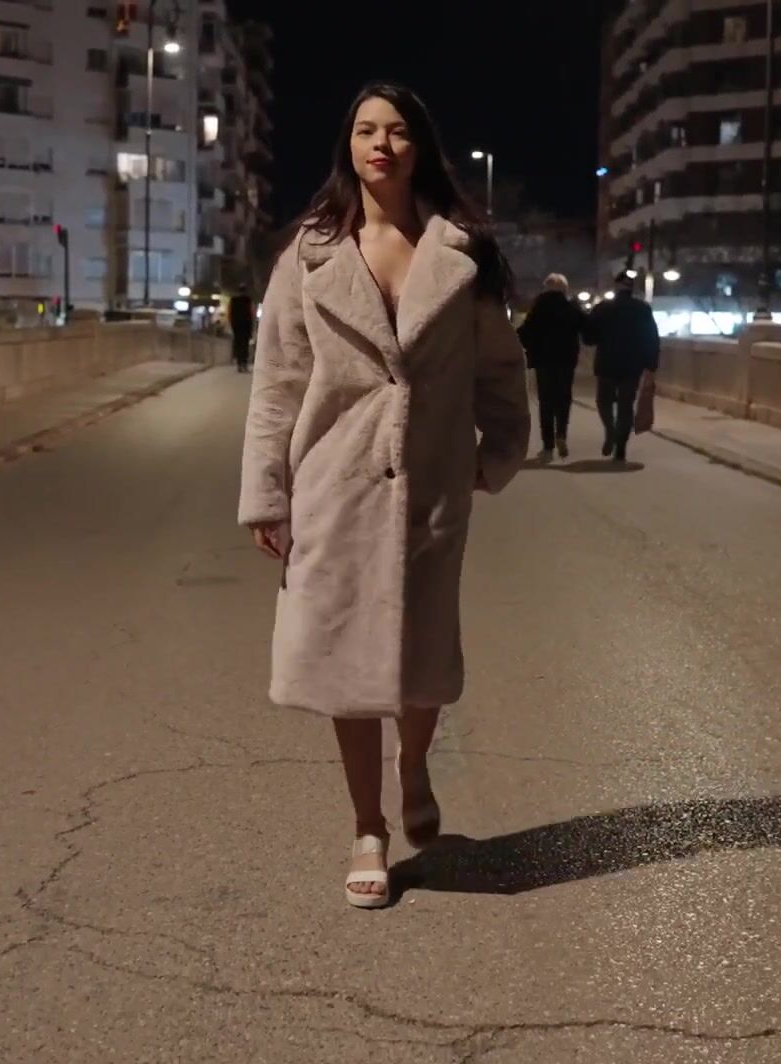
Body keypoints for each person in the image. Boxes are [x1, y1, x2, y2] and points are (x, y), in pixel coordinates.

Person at [238, 82, 531, 909]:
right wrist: (268, 494)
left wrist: (498, 450)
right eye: (367, 130)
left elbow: (499, 367)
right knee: (344, 662)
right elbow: (277, 383)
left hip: (432, 481)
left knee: (422, 658)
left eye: (398, 131)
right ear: (349, 145)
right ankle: (367, 827)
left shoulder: (461, 254)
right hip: (334, 482)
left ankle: (415, 763)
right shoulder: (310, 255)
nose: (381, 144)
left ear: (419, 147)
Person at [582, 271, 660, 462]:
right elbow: (651, 338)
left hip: (607, 363)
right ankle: (621, 448)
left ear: (616, 287)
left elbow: (588, 337)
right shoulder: (642, 309)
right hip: (632, 365)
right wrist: (651, 365)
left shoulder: (603, 308)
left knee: (604, 401)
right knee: (626, 406)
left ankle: (610, 430)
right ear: (632, 288)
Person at [517, 272, 587, 462]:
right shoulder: (571, 307)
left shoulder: (539, 308)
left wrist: (530, 348)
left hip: (544, 361)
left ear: (546, 288)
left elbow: (524, 332)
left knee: (546, 403)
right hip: (566, 361)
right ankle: (561, 434)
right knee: (564, 399)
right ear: (565, 288)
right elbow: (587, 329)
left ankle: (548, 446)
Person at [227, 290, 255, 373]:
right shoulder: (248, 300)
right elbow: (252, 314)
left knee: (237, 344)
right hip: (246, 326)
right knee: (245, 345)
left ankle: (239, 363)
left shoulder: (233, 300)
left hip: (236, 326)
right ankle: (244, 364)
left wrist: (232, 324)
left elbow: (229, 314)